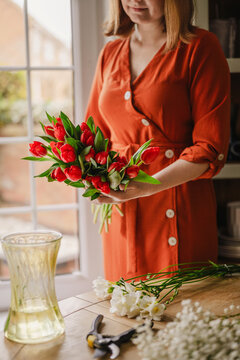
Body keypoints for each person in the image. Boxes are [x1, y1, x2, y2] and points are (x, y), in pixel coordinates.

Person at [85, 0, 230, 281]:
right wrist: (84, 171)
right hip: (122, 208)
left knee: (180, 314)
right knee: (124, 311)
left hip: (178, 200)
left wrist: (145, 187)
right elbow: (94, 134)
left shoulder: (200, 47)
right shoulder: (111, 53)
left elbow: (209, 148)